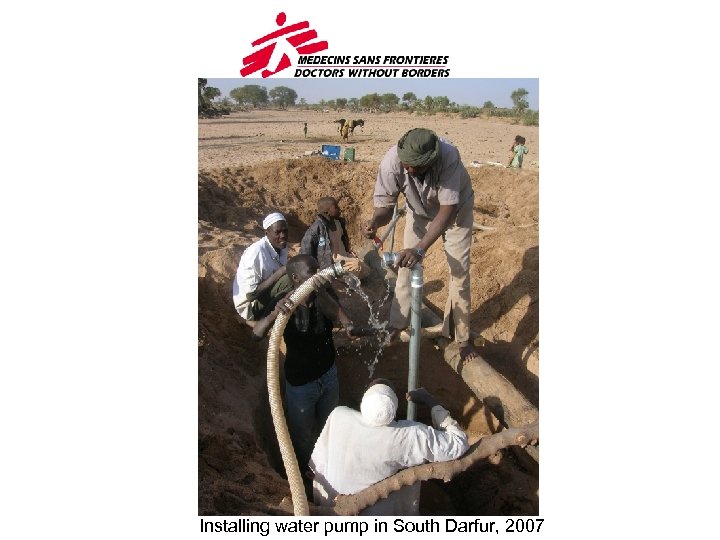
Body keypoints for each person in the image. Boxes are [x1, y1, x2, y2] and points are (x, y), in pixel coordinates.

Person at [363, 127, 480, 364]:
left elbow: (447, 210)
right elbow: (385, 208)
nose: (408, 170)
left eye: (414, 167)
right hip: (418, 212)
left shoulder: (448, 156)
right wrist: (374, 222)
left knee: (459, 274)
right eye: (405, 165)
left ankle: (461, 337)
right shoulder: (391, 163)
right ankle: (398, 323)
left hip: (455, 214)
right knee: (404, 268)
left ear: (430, 161)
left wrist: (420, 248)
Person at [252, 254, 357, 482]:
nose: (318, 273)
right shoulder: (283, 302)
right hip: (301, 386)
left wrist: (345, 321)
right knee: (303, 438)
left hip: (328, 377)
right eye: (312, 271)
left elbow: (340, 315)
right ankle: (304, 475)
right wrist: (275, 313)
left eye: (318, 269)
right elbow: (256, 334)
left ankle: (329, 468)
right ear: (295, 278)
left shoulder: (324, 294)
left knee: (329, 427)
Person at [309, 379, 469, 515]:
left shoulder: (339, 415)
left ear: (365, 399)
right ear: (395, 408)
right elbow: (458, 443)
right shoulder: (408, 435)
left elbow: (317, 459)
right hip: (376, 514)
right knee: (412, 467)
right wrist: (430, 400)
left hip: (329, 503)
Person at [232, 212, 292, 324]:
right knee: (289, 279)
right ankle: (266, 321)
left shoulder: (281, 246)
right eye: (277, 232)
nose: (283, 235)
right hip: (251, 307)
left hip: (266, 294)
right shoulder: (257, 252)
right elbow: (251, 295)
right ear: (266, 233)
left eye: (285, 231)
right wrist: (280, 272)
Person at [300, 196, 370, 280]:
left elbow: (342, 241)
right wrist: (312, 271)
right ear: (327, 212)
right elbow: (306, 251)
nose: (339, 209)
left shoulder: (339, 223)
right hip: (330, 264)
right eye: (336, 207)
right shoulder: (316, 228)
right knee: (360, 269)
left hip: (343, 258)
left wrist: (348, 252)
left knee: (365, 269)